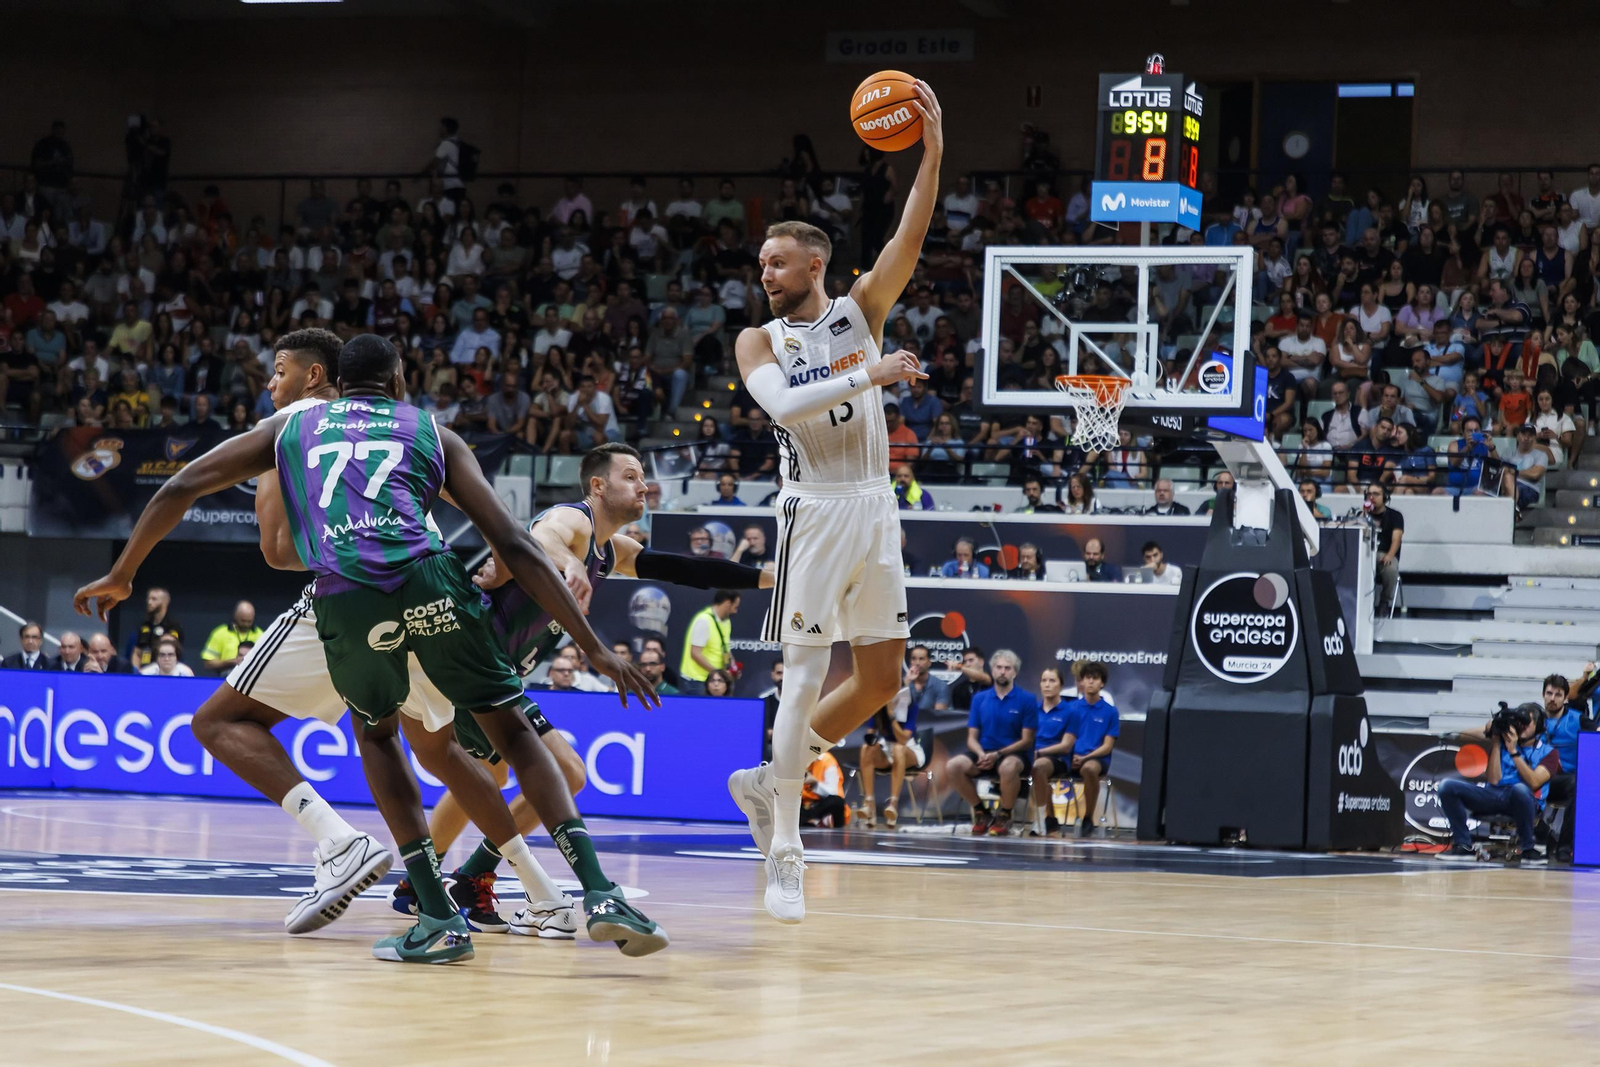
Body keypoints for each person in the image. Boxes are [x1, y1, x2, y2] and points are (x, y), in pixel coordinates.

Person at [73, 334, 667, 964]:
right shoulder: (432, 432)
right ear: (399, 379)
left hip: (347, 597)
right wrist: (595, 647)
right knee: (511, 734)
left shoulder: (290, 428)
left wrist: (125, 573)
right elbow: (515, 544)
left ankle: (437, 915)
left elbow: (180, 489)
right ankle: (599, 894)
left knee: (381, 737)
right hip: (431, 582)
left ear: (329, 380)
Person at [726, 80, 943, 924]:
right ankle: (785, 849)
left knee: (882, 676)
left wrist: (931, 152)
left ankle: (767, 777)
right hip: (811, 512)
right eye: (761, 265)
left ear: (815, 265)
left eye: (776, 263)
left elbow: (910, 233)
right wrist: (871, 374)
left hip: (874, 505)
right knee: (805, 675)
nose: (765, 273)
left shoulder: (861, 312)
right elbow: (783, 407)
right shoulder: (759, 340)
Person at [1437, 703, 1557, 865]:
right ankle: (1463, 845)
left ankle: (1528, 849)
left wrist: (1513, 751)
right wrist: (1495, 743)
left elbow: (1534, 782)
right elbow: (1493, 780)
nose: (1521, 727)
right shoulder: (1501, 744)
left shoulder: (1549, 753)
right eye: (1519, 723)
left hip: (1525, 800)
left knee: (1519, 788)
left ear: (1539, 726)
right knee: (1447, 786)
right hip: (1494, 795)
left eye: (1526, 723)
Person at [943, 650, 1039, 836]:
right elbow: (971, 738)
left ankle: (1005, 814)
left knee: (1008, 767)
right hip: (985, 754)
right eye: (999, 667)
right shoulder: (980, 699)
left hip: (1015, 756)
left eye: (1007, 668)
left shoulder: (1027, 699)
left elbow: (1027, 740)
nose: (1003, 672)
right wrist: (981, 754)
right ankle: (982, 812)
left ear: (1015, 673)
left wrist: (999, 754)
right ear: (992, 670)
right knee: (953, 766)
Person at [858, 645, 946, 828]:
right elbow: (869, 735)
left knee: (898, 749)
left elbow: (903, 739)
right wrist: (872, 741)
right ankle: (869, 804)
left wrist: (891, 716)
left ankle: (893, 805)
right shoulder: (877, 708)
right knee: (866, 749)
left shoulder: (910, 706)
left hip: (909, 749)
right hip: (886, 749)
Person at [1030, 661, 1119, 837]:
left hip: (1096, 759)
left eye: (1095, 678)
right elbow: (1064, 740)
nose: (1091, 682)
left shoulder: (1111, 712)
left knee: (1089, 769)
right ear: (1081, 682)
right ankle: (1049, 818)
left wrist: (1086, 758)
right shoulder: (1071, 709)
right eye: (1087, 678)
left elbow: (1107, 746)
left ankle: (1088, 818)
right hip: (1070, 757)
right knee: (1040, 768)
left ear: (1102, 683)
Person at [680, 590, 741, 695]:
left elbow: (725, 649)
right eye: (735, 607)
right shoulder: (704, 621)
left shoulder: (726, 622)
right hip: (697, 681)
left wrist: (733, 667)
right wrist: (719, 674)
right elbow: (695, 653)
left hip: (714, 681)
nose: (736, 611)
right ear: (727, 604)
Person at [1366, 484, 1404, 614]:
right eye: (1369, 494)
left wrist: (1390, 555)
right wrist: (1362, 516)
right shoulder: (1362, 514)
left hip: (1384, 553)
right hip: (1364, 553)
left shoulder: (1395, 516)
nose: (1372, 497)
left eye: (1376, 494)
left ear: (1385, 497)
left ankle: (1384, 601)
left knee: (1390, 568)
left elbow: (1396, 539)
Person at [126, 586, 182, 669]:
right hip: (145, 669)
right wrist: (136, 672)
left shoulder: (173, 626)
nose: (149, 602)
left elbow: (175, 651)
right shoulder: (145, 626)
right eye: (148, 599)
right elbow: (137, 652)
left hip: (165, 671)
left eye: (154, 599)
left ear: (165, 602)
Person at [200, 600, 262, 675]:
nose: (246, 624)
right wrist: (232, 662)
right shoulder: (220, 633)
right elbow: (207, 664)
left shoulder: (261, 635)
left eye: (249, 621)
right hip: (225, 677)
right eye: (243, 621)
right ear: (235, 616)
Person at [798, 749, 847, 828]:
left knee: (837, 802)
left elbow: (832, 793)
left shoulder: (827, 760)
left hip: (821, 805)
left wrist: (815, 783)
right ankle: (810, 822)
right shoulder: (797, 760)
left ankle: (810, 821)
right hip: (803, 805)